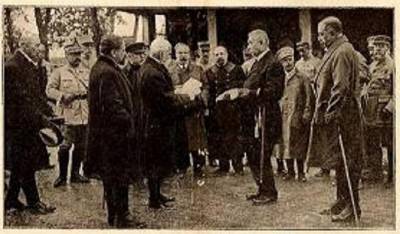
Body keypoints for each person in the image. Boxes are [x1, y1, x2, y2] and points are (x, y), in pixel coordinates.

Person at [85, 35, 145, 228]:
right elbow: (112, 106)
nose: (123, 54)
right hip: (115, 138)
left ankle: (115, 216)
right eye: (122, 50)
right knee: (119, 178)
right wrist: (130, 121)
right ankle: (122, 217)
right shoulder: (108, 72)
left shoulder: (100, 68)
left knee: (112, 179)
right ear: (114, 52)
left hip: (107, 137)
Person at [308, 16, 362, 222]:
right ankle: (342, 201)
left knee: (348, 162)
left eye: (322, 33)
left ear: (333, 32)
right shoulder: (336, 50)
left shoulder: (342, 51)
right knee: (340, 161)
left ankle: (352, 207)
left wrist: (331, 112)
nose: (320, 38)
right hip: (340, 113)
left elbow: (341, 87)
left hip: (343, 114)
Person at [139, 37, 199, 209]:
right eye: (169, 52)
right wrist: (186, 97)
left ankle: (157, 194)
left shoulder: (152, 67)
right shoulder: (152, 71)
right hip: (156, 123)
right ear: (162, 52)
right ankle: (154, 199)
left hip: (156, 121)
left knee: (157, 161)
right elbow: (164, 99)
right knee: (155, 161)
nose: (170, 56)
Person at [5, 34, 56, 214]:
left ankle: (11, 201)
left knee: (22, 165)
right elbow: (23, 100)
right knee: (24, 164)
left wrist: (50, 112)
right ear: (24, 45)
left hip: (28, 123)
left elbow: (37, 95)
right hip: (18, 126)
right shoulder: (12, 67)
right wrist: (43, 119)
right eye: (35, 45)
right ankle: (33, 203)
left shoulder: (30, 65)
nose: (38, 49)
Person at [241, 29, 285, 205]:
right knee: (255, 154)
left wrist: (249, 92)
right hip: (255, 116)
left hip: (266, 117)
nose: (249, 46)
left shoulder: (273, 63)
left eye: (251, 42)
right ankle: (262, 188)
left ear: (262, 43)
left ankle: (269, 192)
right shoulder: (257, 63)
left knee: (262, 155)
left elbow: (274, 91)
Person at [46, 36, 90, 187]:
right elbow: (49, 90)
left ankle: (76, 174)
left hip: (84, 114)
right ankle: (62, 176)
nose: (77, 57)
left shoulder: (86, 70)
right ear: (66, 55)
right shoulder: (59, 72)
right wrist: (62, 96)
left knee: (81, 146)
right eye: (73, 54)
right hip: (68, 115)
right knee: (65, 146)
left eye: (79, 54)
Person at [203, 46, 246, 176]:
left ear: (227, 55)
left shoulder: (237, 69)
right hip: (216, 111)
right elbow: (208, 92)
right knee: (219, 138)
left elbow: (242, 88)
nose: (219, 57)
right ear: (213, 57)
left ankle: (238, 166)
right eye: (216, 54)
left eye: (222, 54)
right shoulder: (209, 72)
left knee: (234, 138)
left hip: (233, 110)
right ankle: (223, 166)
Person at [276, 46, 313, 182]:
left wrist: (307, 113)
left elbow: (309, 96)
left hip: (297, 115)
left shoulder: (302, 77)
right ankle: (290, 171)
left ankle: (301, 172)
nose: (288, 63)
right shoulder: (279, 78)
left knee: (298, 144)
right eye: (284, 61)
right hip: (283, 115)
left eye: (290, 59)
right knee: (285, 144)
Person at [170, 42, 207, 177]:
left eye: (185, 53)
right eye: (180, 53)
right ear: (175, 55)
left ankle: (199, 166)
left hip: (195, 110)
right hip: (179, 110)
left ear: (190, 54)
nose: (183, 56)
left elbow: (206, 86)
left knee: (197, 139)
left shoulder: (198, 69)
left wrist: (201, 98)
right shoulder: (169, 70)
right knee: (180, 138)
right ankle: (181, 166)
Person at [361, 35, 394, 185]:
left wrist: (389, 108)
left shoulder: (392, 65)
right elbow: (367, 87)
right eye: (377, 46)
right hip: (371, 110)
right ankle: (375, 173)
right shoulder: (373, 65)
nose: (378, 49)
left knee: (389, 143)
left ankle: (392, 176)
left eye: (382, 46)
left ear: (388, 47)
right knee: (372, 141)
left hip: (384, 111)